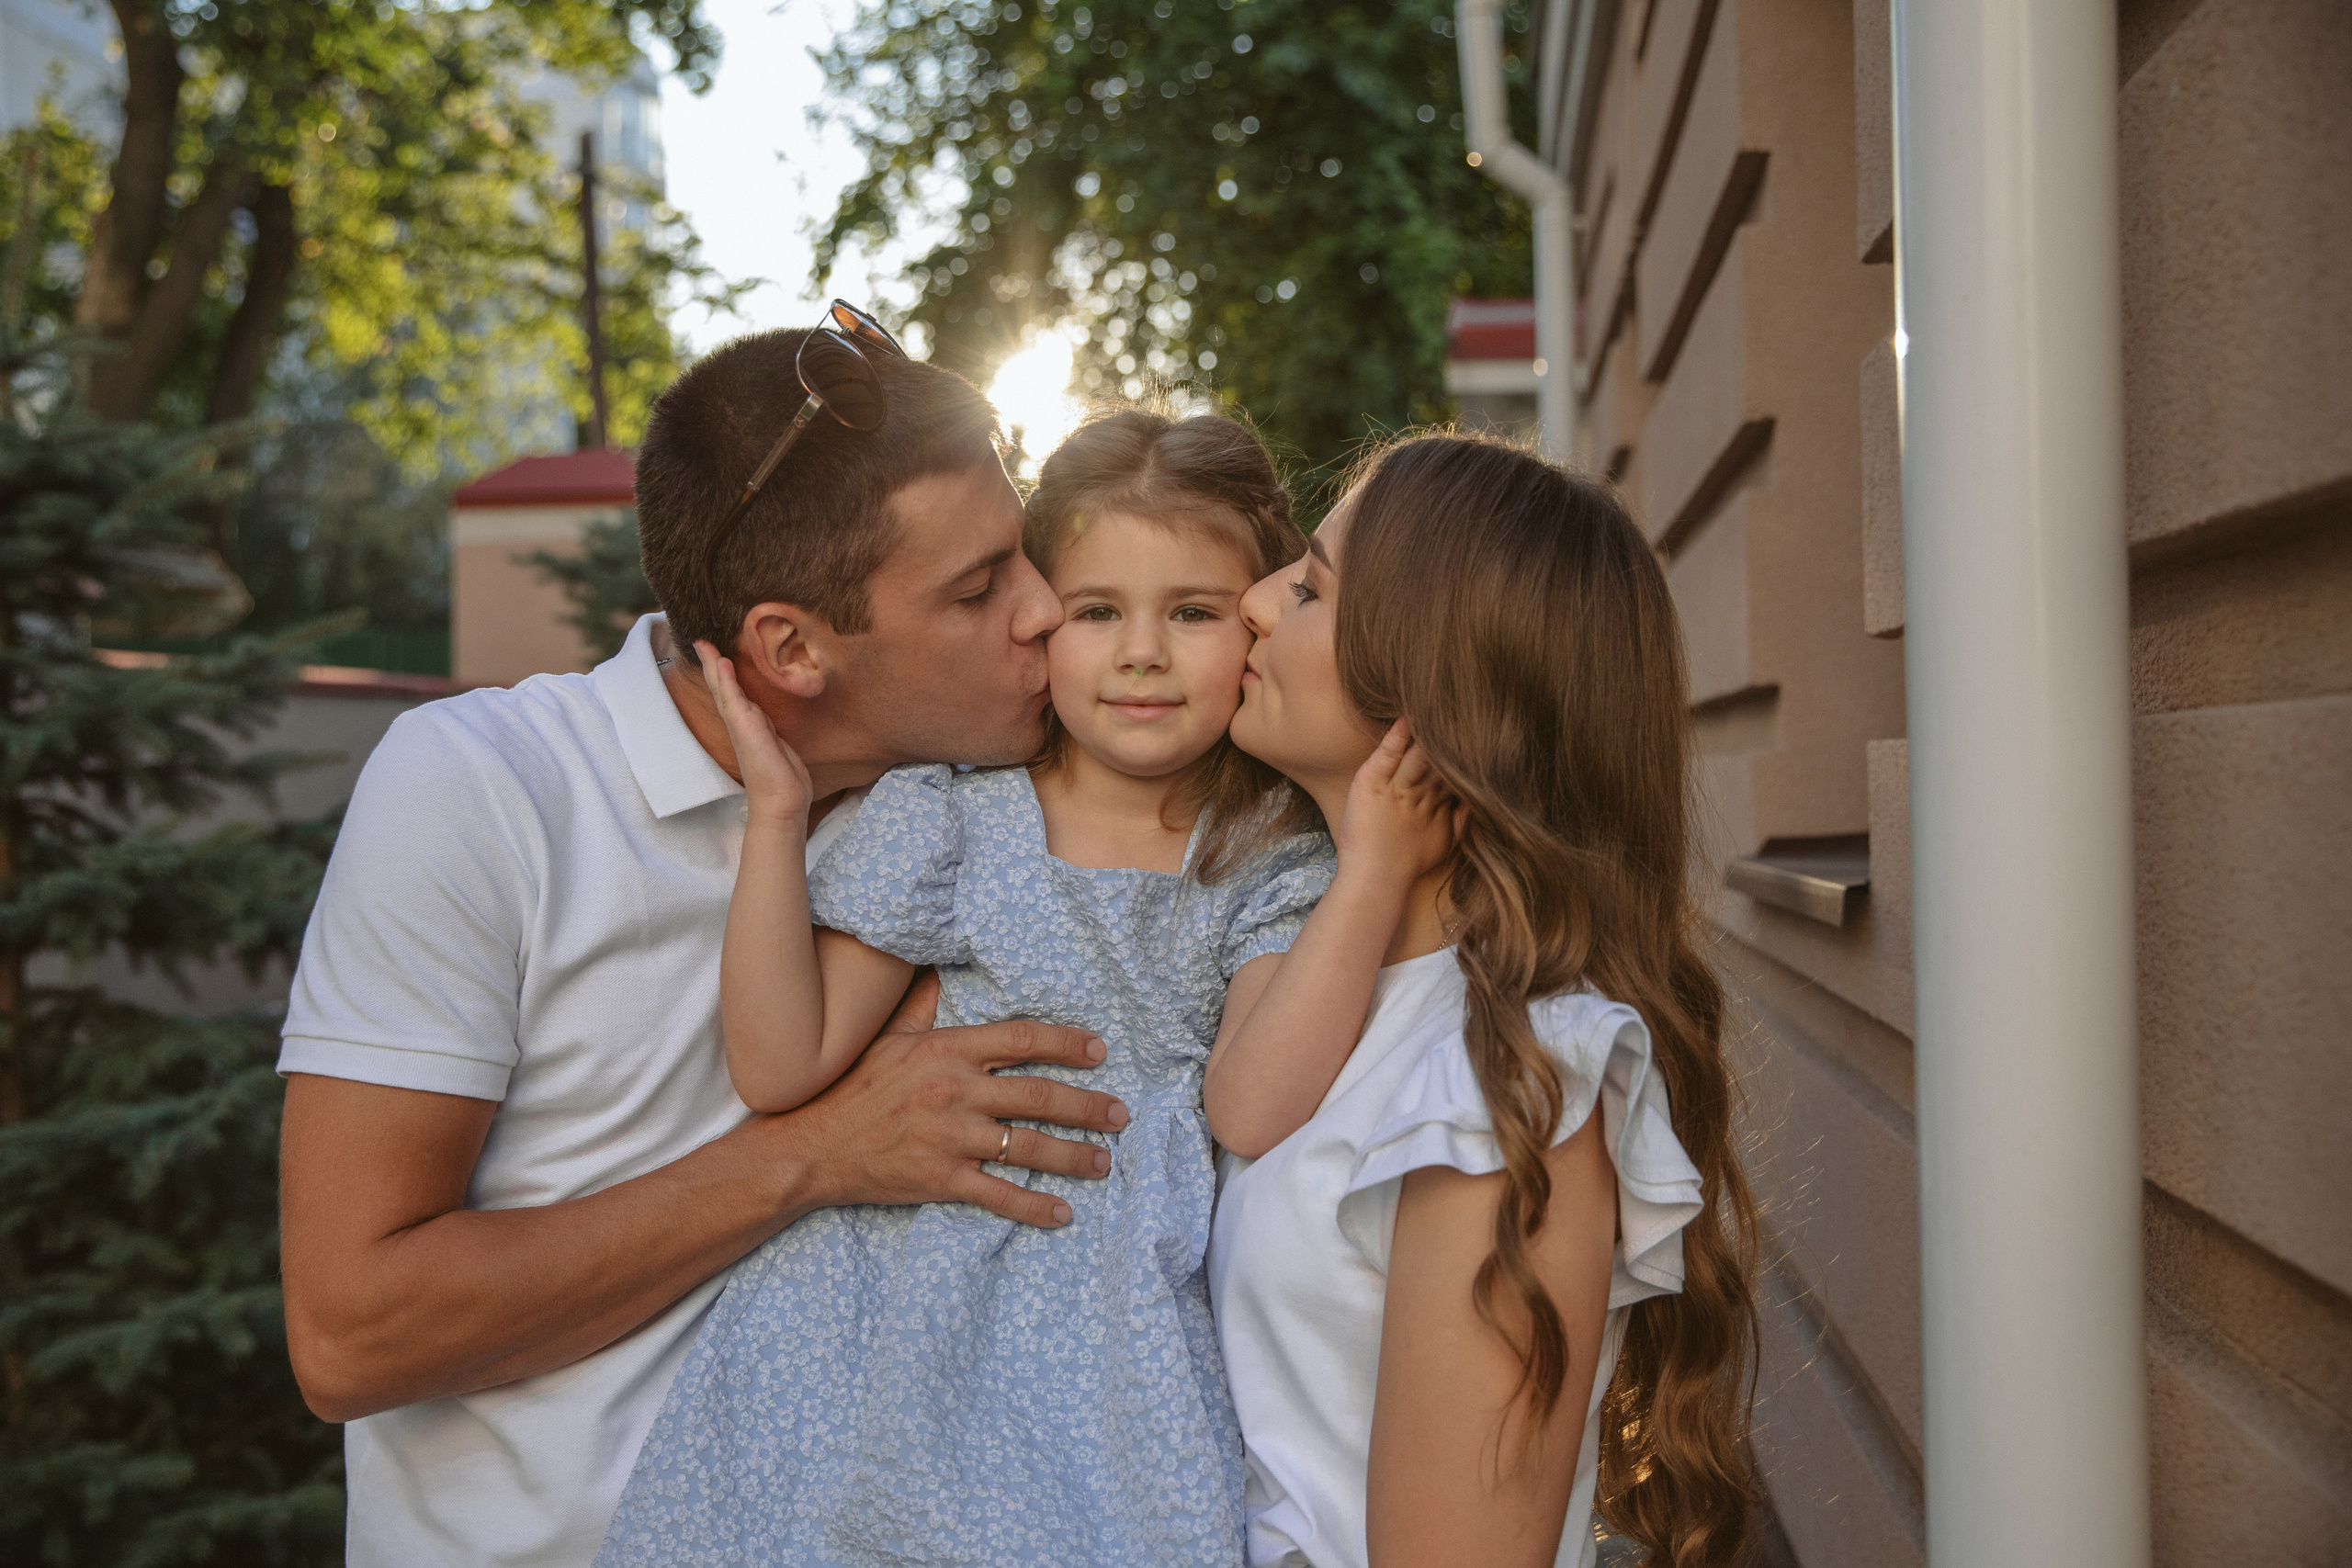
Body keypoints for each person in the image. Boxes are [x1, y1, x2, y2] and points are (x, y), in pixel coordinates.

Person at [276, 312, 1135, 1566]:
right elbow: (352, 1334)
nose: (1048, 610)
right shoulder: (485, 790)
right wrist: (812, 1154)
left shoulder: (984, 809)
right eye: (979, 585)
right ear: (792, 648)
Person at [594, 410, 1452, 1565]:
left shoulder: (1267, 859)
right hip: (871, 1332)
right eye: (1096, 611)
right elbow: (779, 1063)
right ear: (1042, 619)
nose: (1140, 653)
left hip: (1107, 1363)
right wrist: (777, 818)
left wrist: (1371, 869)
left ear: (1253, 627)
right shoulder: (952, 810)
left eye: (1191, 613)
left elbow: (1249, 1106)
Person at [1207, 433, 1766, 1568]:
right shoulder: (1296, 978)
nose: (1255, 603)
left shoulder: (1510, 1084)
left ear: (1434, 696)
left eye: (1310, 586)